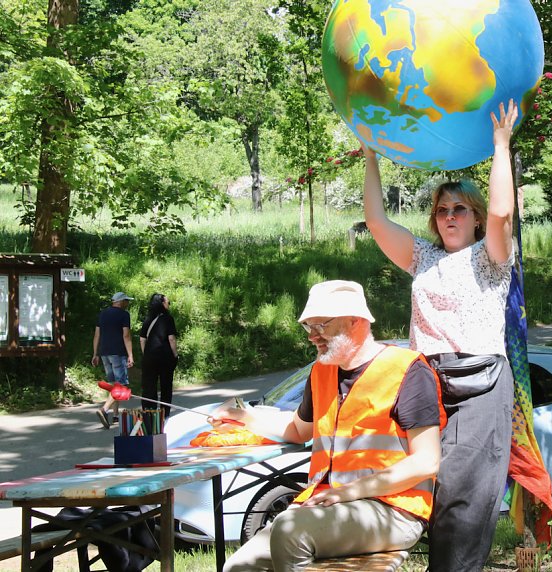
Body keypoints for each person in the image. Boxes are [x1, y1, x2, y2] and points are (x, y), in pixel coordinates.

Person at [362, 100, 519, 571]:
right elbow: (376, 221)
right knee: (430, 498)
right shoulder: (423, 258)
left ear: (472, 217)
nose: (450, 215)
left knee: (463, 505)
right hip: (428, 384)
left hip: (481, 386)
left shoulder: (492, 259)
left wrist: (500, 145)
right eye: (443, 209)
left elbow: (501, 217)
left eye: (460, 209)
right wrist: (369, 155)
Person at [216, 280, 445, 571]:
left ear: (356, 321)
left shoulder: (408, 370)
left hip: (394, 509)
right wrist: (242, 415)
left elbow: (426, 461)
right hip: (329, 505)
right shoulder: (321, 372)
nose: (312, 336)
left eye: (321, 325)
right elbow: (298, 430)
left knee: (289, 530)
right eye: (308, 327)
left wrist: (347, 492)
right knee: (238, 568)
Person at [92, 292, 135, 429]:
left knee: (114, 385)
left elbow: (97, 335)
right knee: (121, 385)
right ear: (121, 301)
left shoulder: (103, 314)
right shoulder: (124, 315)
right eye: (126, 301)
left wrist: (95, 354)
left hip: (104, 353)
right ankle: (104, 409)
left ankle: (115, 415)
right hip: (118, 353)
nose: (127, 303)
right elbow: (126, 335)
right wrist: (130, 355)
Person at [139, 293, 178, 418]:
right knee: (166, 385)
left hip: (150, 357)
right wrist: (175, 355)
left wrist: (146, 353)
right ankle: (164, 414)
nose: (169, 304)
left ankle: (149, 413)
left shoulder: (148, 318)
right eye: (168, 302)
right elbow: (171, 339)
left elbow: (142, 339)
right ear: (162, 304)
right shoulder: (168, 318)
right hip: (165, 357)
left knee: (149, 385)